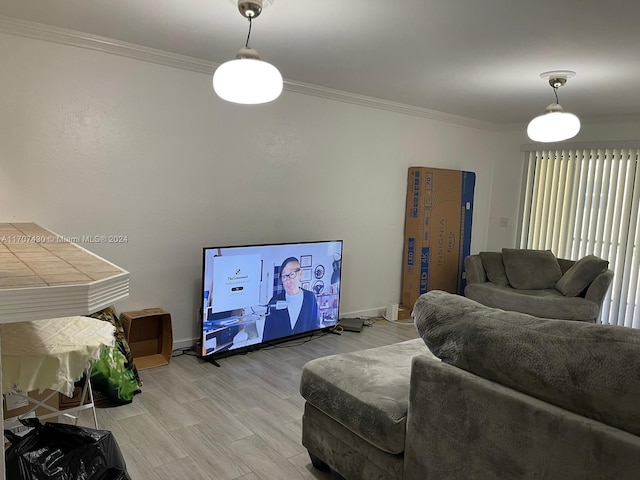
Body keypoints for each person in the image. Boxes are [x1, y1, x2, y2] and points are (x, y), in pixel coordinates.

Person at [262, 256, 320, 342]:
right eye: (284, 276)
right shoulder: (274, 301)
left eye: (292, 274)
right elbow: (267, 334)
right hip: (278, 350)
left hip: (304, 348)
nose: (288, 281)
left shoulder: (310, 297)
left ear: (300, 274)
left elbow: (315, 327)